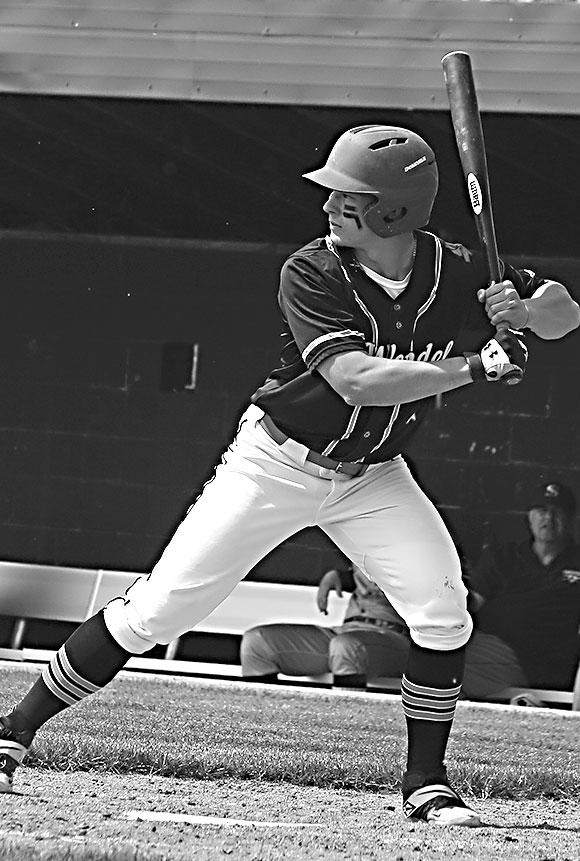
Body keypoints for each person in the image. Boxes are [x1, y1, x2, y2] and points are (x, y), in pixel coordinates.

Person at [1, 125, 578, 828]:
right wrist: (474, 367)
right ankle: (12, 732)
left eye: (348, 196)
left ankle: (426, 783)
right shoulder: (312, 270)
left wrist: (523, 309)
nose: (330, 204)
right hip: (276, 462)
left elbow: (565, 313)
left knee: (443, 612)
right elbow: (356, 380)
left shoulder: (455, 269)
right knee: (159, 611)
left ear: (394, 211)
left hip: (372, 476)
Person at [467, 482, 580, 699]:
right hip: (502, 657)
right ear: (529, 517)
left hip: (556, 666)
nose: (549, 518)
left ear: (571, 519)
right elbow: (471, 604)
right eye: (542, 510)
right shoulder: (504, 557)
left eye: (557, 511)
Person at [241, 562, 411, 688]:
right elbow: (364, 578)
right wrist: (339, 576)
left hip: (395, 636)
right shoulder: (363, 539)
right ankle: (259, 723)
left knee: (347, 646)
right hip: (349, 629)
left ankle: (347, 724)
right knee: (257, 642)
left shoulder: (417, 543)